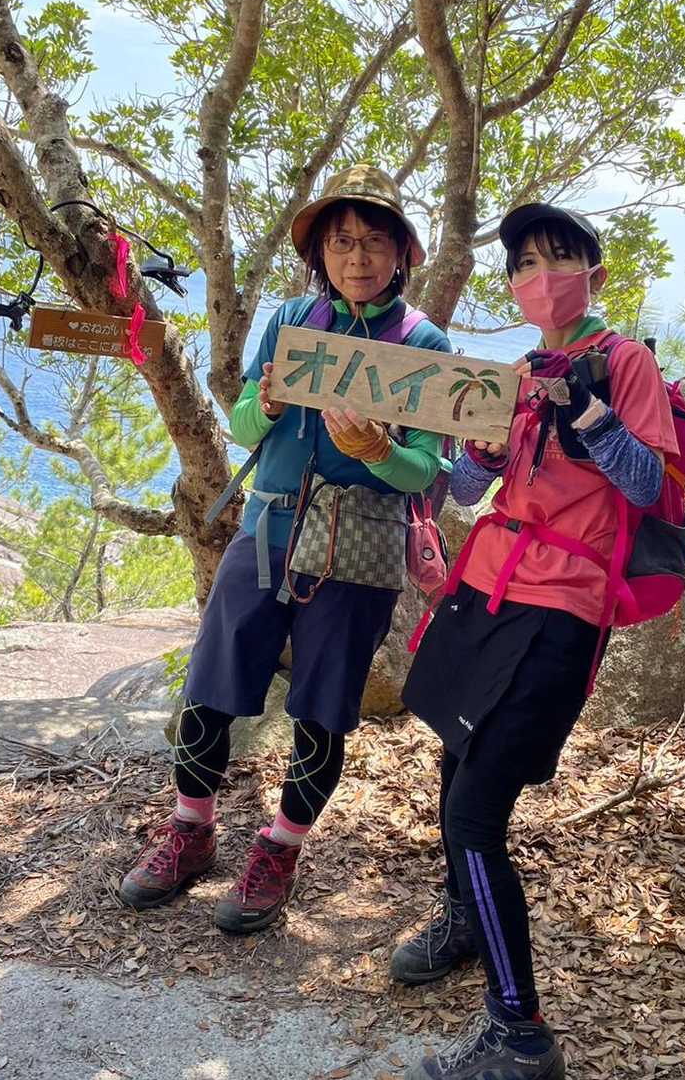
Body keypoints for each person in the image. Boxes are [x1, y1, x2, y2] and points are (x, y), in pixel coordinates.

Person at [392, 203, 680, 1080]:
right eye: (524, 263)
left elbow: (648, 483)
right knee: (452, 760)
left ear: (595, 273)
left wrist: (589, 414)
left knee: (477, 810)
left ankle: (521, 1041)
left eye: (558, 258)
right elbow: (470, 487)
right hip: (487, 586)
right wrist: (476, 451)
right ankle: (465, 919)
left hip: (561, 604)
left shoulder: (623, 363)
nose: (540, 276)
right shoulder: (513, 373)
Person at [120, 164, 452, 932]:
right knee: (210, 685)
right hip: (267, 530)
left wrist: (377, 450)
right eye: (342, 242)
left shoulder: (422, 342)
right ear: (320, 253)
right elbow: (244, 426)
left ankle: (280, 849)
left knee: (322, 709)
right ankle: (191, 830)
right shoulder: (294, 320)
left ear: (401, 253)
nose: (357, 257)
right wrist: (265, 403)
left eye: (374, 241)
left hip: (358, 547)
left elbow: (424, 471)